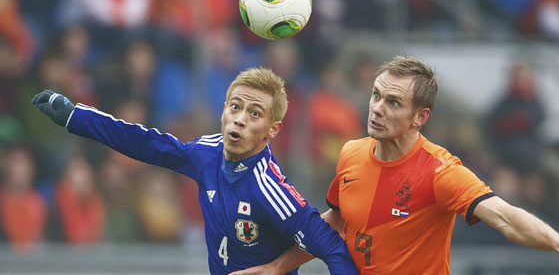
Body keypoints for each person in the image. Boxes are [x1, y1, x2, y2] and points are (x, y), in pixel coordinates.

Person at [230, 56, 559, 275]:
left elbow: (503, 215)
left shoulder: (441, 172)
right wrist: (277, 267)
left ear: (419, 117)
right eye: (376, 95)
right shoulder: (351, 153)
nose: (377, 108)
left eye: (393, 102)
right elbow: (336, 223)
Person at [31, 68, 358, 275]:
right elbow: (147, 143)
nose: (240, 119)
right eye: (235, 106)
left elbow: (331, 246)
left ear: (272, 130)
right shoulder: (206, 152)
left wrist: (275, 269)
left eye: (254, 113)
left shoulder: (270, 189)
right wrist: (78, 118)